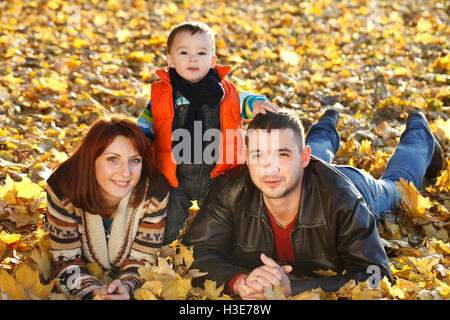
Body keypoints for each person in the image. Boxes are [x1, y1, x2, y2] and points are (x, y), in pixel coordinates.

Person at [183, 109, 443, 299]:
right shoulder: (231, 190)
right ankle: (328, 121)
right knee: (305, 161)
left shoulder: (345, 202)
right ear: (246, 157)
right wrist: (238, 283)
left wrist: (292, 288)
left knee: (398, 186)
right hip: (308, 175)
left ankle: (419, 131)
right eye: (258, 154)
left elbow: (377, 275)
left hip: (357, 187)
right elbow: (195, 252)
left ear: (301, 157)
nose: (269, 167)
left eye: (282, 154)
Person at [136, 21, 279, 245]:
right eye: (184, 52)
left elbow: (244, 100)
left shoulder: (224, 91)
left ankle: (223, 248)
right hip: (175, 176)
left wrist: (257, 103)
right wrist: (138, 140)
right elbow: (146, 123)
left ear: (212, 60)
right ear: (170, 60)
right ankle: (160, 251)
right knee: (166, 218)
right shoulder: (162, 95)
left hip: (217, 173)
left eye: (201, 53)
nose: (193, 58)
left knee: (224, 216)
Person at [46, 117, 169, 300]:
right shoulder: (63, 187)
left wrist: (126, 288)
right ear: (91, 159)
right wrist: (95, 293)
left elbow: (142, 260)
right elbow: (66, 261)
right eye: (113, 159)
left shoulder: (154, 191)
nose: (126, 173)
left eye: (135, 160)